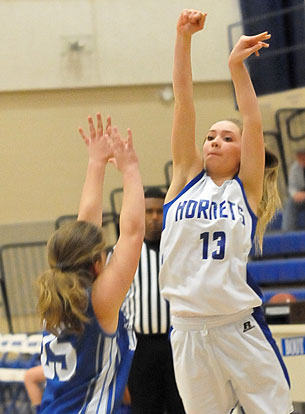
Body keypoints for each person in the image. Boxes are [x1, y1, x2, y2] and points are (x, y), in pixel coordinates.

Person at [159, 9, 293, 414]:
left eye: (227, 137)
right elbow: (184, 101)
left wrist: (237, 67)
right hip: (186, 331)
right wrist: (183, 39)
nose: (215, 141)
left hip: (239, 326)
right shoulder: (184, 179)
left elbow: (252, 121)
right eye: (210, 136)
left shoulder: (245, 190)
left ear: (243, 152)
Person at [36, 113, 145, 414]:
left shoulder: (56, 297)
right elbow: (133, 234)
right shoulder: (100, 302)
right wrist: (130, 169)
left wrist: (96, 164)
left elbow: (86, 232)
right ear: (97, 265)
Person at [120, 187, 185, 414]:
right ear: (140, 214)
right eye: (149, 211)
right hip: (141, 347)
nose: (155, 217)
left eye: (159, 211)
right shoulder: (123, 253)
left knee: (183, 406)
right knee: (145, 408)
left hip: (178, 342)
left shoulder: (180, 249)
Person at [282, 147, 305, 231]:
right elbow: (292, 187)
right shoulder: (294, 169)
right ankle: (288, 233)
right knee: (289, 203)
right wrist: (295, 194)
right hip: (301, 198)